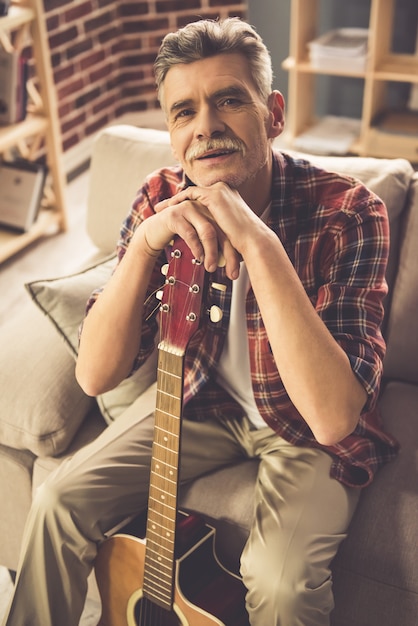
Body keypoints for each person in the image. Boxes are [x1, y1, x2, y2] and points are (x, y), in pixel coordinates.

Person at [3, 17, 398, 626]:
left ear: (274, 114)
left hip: (303, 429)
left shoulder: (350, 211)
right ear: (170, 129)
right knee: (56, 500)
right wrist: (141, 249)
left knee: (281, 582)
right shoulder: (160, 195)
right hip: (198, 401)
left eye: (229, 101)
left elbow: (332, 415)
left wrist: (258, 242)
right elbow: (94, 376)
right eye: (183, 112)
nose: (206, 127)